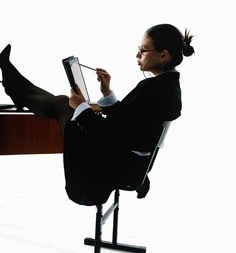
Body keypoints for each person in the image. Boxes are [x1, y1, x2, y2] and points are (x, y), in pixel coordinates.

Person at [0, 23, 194, 205]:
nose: (137, 55)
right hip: (123, 161)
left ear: (164, 55)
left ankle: (13, 84)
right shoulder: (164, 87)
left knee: (62, 104)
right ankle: (15, 85)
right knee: (62, 103)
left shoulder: (156, 93)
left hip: (107, 167)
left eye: (143, 50)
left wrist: (82, 107)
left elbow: (111, 136)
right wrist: (107, 93)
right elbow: (128, 124)